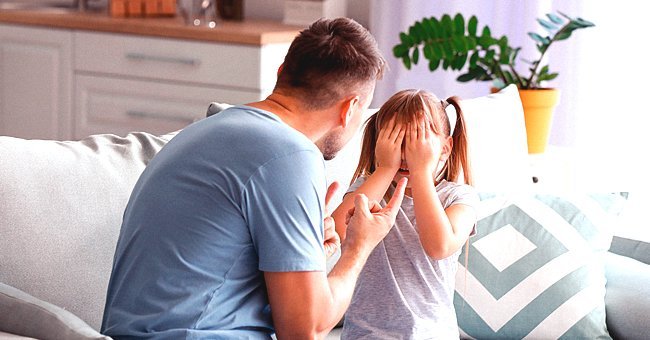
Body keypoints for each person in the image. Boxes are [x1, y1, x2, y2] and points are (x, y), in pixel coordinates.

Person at [101, 17, 407, 339]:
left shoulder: (208, 130)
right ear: (350, 108)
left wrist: (305, 249)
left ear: (280, 74)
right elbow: (306, 329)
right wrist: (358, 247)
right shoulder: (291, 155)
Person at [332, 89, 479, 339]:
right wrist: (386, 168)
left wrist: (421, 172)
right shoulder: (367, 189)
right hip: (366, 334)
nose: (406, 153)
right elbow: (338, 232)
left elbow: (439, 246)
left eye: (417, 141)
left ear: (445, 148)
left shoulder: (459, 197)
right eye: (397, 140)